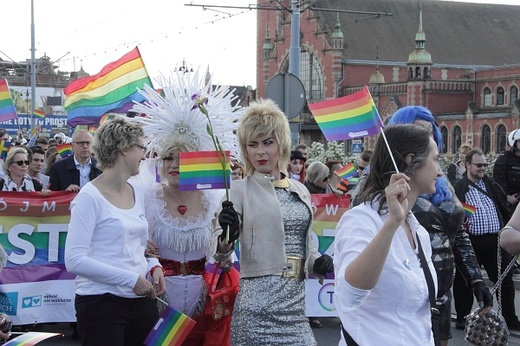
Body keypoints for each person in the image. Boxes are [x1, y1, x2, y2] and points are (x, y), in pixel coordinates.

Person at [132, 69, 242, 345]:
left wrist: (227, 241)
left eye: (182, 158)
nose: (174, 165)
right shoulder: (147, 198)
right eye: (168, 158)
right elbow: (129, 241)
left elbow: (222, 258)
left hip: (202, 298)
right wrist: (142, 246)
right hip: (158, 297)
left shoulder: (214, 200)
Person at [213, 99, 333, 345]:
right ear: (245, 150)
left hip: (296, 312)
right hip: (255, 313)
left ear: (282, 144)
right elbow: (220, 253)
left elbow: (306, 248)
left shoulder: (301, 190)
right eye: (253, 144)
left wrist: (317, 262)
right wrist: (226, 237)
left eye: (268, 142)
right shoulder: (237, 191)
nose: (260, 151)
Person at [388, 106, 492, 344]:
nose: (427, 138)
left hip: (441, 294)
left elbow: (458, 233)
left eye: (430, 132)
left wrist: (475, 278)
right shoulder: (381, 182)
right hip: (403, 298)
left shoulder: (440, 181)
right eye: (418, 131)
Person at [334, 124, 441, 345]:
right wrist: (392, 223)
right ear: (411, 160)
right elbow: (350, 294)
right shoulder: (361, 220)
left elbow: (418, 316)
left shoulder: (417, 229)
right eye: (435, 160)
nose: (440, 171)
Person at [64, 117, 165, 345]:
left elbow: (135, 246)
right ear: (124, 148)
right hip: (100, 304)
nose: (144, 154)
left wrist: (152, 265)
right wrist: (130, 279)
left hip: (140, 299)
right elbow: (74, 260)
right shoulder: (88, 198)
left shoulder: (137, 191)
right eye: (141, 147)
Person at [453, 148, 520, 330]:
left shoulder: (490, 184)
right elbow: (457, 212)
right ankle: (462, 316)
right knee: (464, 280)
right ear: (467, 165)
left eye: (484, 164)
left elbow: (503, 205)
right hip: (471, 241)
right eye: (478, 165)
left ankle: (510, 318)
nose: (482, 168)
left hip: (495, 242)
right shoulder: (459, 187)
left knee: (504, 281)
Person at [493, 129, 520, 208]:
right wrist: (507, 196)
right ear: (514, 142)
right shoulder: (504, 160)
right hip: (507, 203)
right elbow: (498, 182)